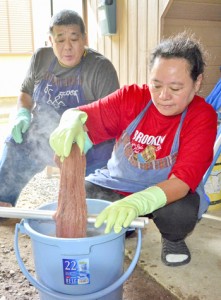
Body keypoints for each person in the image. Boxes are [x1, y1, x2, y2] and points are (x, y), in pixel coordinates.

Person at [49, 32, 217, 267]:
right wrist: (70, 122)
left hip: (169, 194)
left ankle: (172, 238)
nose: (163, 96)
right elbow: (84, 118)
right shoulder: (131, 97)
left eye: (176, 88)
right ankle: (124, 227)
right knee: (79, 198)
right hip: (118, 185)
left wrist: (138, 203)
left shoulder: (202, 116)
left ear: (197, 83)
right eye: (156, 85)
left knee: (179, 215)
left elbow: (183, 180)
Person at [0, 9, 119, 208]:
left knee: (102, 214)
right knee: (16, 143)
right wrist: (22, 114)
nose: (68, 48)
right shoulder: (41, 58)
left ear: (84, 38)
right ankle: (3, 199)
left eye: (74, 38)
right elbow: (25, 94)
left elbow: (113, 116)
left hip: (90, 144)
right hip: (45, 138)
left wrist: (87, 139)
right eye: (60, 40)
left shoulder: (101, 68)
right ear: (50, 40)